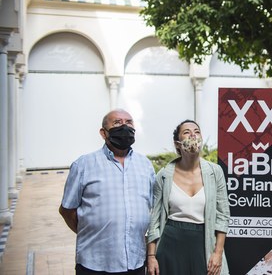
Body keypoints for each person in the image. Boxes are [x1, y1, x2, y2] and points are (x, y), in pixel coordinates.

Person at [59, 109, 155, 274]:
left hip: (135, 261)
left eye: (129, 122)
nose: (124, 127)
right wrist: (92, 231)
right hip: (94, 262)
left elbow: (152, 208)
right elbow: (67, 210)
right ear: (103, 133)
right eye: (117, 123)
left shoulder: (145, 165)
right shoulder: (84, 165)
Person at [146, 119, 230, 275]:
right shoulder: (164, 176)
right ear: (177, 144)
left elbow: (223, 215)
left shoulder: (215, 172)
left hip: (203, 242)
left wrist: (218, 252)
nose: (193, 135)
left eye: (197, 131)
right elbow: (154, 220)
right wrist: (151, 256)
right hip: (170, 243)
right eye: (186, 132)